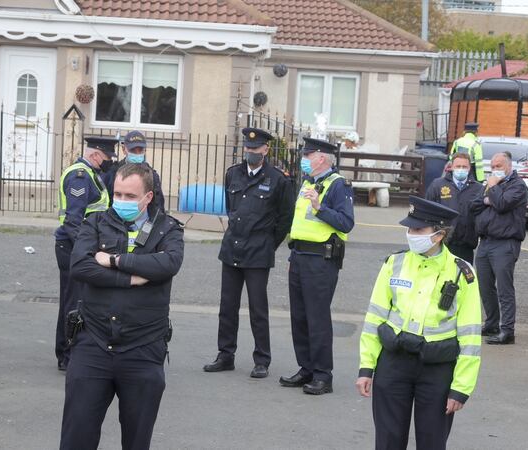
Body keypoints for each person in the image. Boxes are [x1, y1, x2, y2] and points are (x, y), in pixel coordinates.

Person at [61, 163, 184, 450]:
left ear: (148, 197)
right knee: (76, 436)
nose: (122, 201)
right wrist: (132, 279)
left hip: (143, 347)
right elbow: (80, 266)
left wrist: (115, 260)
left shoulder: (168, 229)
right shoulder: (95, 223)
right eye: (117, 194)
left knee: (137, 440)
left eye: (130, 196)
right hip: (93, 342)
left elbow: (168, 264)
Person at [356, 195, 482, 450]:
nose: (411, 234)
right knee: (388, 441)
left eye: (418, 229)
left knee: (432, 442)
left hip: (436, 369)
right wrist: (366, 367)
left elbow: (470, 335)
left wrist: (461, 387)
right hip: (394, 363)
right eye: (409, 228)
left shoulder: (462, 272)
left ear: (439, 234)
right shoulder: (395, 263)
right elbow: (375, 317)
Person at [203, 127, 295, 379]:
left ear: (266, 149)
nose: (251, 152)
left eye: (255, 148)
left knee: (258, 308)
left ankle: (262, 359)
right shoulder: (233, 174)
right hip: (232, 246)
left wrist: (268, 243)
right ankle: (225, 355)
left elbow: (286, 218)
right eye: (248, 148)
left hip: (258, 251)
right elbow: (232, 208)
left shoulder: (278, 179)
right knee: (227, 306)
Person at [279, 137, 354, 395]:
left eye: (307, 155)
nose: (304, 159)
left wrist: (320, 207)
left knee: (317, 317)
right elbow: (299, 226)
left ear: (321, 157)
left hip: (321, 260)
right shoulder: (309, 183)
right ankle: (306, 368)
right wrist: (293, 256)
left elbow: (346, 222)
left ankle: (323, 375)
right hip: (300, 256)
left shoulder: (338, 185)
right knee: (299, 317)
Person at [54, 136, 117, 370]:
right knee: (73, 302)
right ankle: (67, 355)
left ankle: (68, 350)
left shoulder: (91, 174)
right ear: (95, 155)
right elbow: (73, 221)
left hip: (77, 246)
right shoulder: (79, 177)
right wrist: (88, 250)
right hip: (73, 247)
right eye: (107, 158)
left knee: (76, 300)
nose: (108, 162)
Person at [471, 151, 528, 344]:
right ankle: (492, 323)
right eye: (493, 167)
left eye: (499, 166)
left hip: (505, 243)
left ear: (509, 166)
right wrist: (490, 198)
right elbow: (475, 205)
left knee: (504, 288)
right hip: (485, 242)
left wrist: (493, 190)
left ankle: (507, 331)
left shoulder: (518, 186)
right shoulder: (490, 184)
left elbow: (503, 204)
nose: (495, 170)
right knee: (485, 286)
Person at [425, 152, 483, 263]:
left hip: (466, 245)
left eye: (464, 166)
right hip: (442, 243)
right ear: (451, 167)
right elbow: (428, 211)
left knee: (462, 278)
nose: (461, 169)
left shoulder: (478, 189)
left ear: (470, 168)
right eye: (458, 166)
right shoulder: (438, 185)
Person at [103, 130, 165, 212]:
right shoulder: (113, 172)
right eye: (133, 150)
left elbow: (158, 205)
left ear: (145, 150)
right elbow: (106, 200)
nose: (137, 154)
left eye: (140, 150)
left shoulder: (152, 175)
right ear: (124, 149)